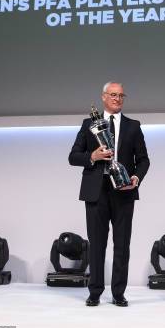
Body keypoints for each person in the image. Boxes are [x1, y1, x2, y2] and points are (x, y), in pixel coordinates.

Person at [68, 82, 150, 307]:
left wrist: (136, 178)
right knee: (96, 244)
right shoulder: (89, 124)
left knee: (122, 245)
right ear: (104, 97)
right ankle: (94, 292)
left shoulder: (133, 126)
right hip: (96, 192)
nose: (118, 99)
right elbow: (73, 156)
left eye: (121, 95)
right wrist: (92, 156)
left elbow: (143, 160)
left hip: (123, 191)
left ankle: (118, 293)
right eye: (113, 95)